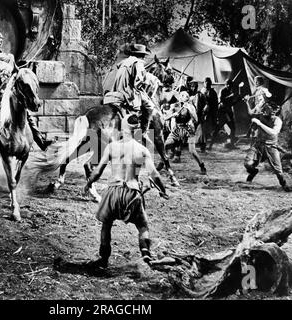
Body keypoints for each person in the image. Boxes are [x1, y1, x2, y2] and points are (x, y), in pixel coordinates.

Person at [83, 114, 170, 268]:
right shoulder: (142, 150)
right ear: (137, 130)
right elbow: (154, 175)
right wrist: (163, 190)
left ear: (123, 128)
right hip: (132, 192)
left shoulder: (111, 147)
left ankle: (103, 260)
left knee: (106, 225)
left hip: (112, 191)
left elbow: (97, 171)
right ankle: (146, 256)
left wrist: (89, 183)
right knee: (143, 226)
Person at [243, 96, 292, 192]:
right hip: (258, 145)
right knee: (248, 164)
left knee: (278, 171)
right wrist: (247, 103)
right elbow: (250, 113)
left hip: (271, 147)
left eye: (266, 109)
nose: (263, 110)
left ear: (273, 112)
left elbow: (273, 132)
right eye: (264, 108)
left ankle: (284, 184)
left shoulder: (277, 121)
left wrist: (260, 124)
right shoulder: (261, 115)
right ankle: (253, 172)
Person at [104, 44, 156, 136]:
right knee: (150, 106)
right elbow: (138, 82)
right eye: (144, 56)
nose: (144, 58)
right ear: (141, 55)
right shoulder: (138, 63)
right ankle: (144, 131)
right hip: (127, 93)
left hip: (116, 91)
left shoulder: (123, 63)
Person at [163, 91, 207, 174]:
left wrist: (190, 110)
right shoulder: (174, 106)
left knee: (192, 151)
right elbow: (165, 118)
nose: (184, 97)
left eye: (186, 96)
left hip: (188, 129)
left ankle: (201, 165)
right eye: (182, 95)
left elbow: (196, 119)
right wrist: (173, 115)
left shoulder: (190, 107)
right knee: (166, 145)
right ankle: (164, 163)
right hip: (177, 130)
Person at [209, 78, 239, 150]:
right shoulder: (222, 91)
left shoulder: (231, 91)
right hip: (222, 113)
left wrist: (237, 100)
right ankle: (210, 145)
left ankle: (232, 144)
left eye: (230, 84)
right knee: (217, 129)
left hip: (228, 112)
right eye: (227, 84)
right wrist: (230, 96)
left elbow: (230, 104)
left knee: (233, 128)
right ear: (225, 84)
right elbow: (221, 101)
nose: (228, 85)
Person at [199, 77, 218, 151]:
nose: (207, 84)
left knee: (210, 130)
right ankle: (203, 146)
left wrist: (214, 114)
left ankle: (209, 145)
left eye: (208, 82)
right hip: (203, 114)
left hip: (210, 114)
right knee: (202, 130)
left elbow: (215, 104)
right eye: (205, 82)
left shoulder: (213, 92)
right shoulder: (201, 91)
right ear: (204, 83)